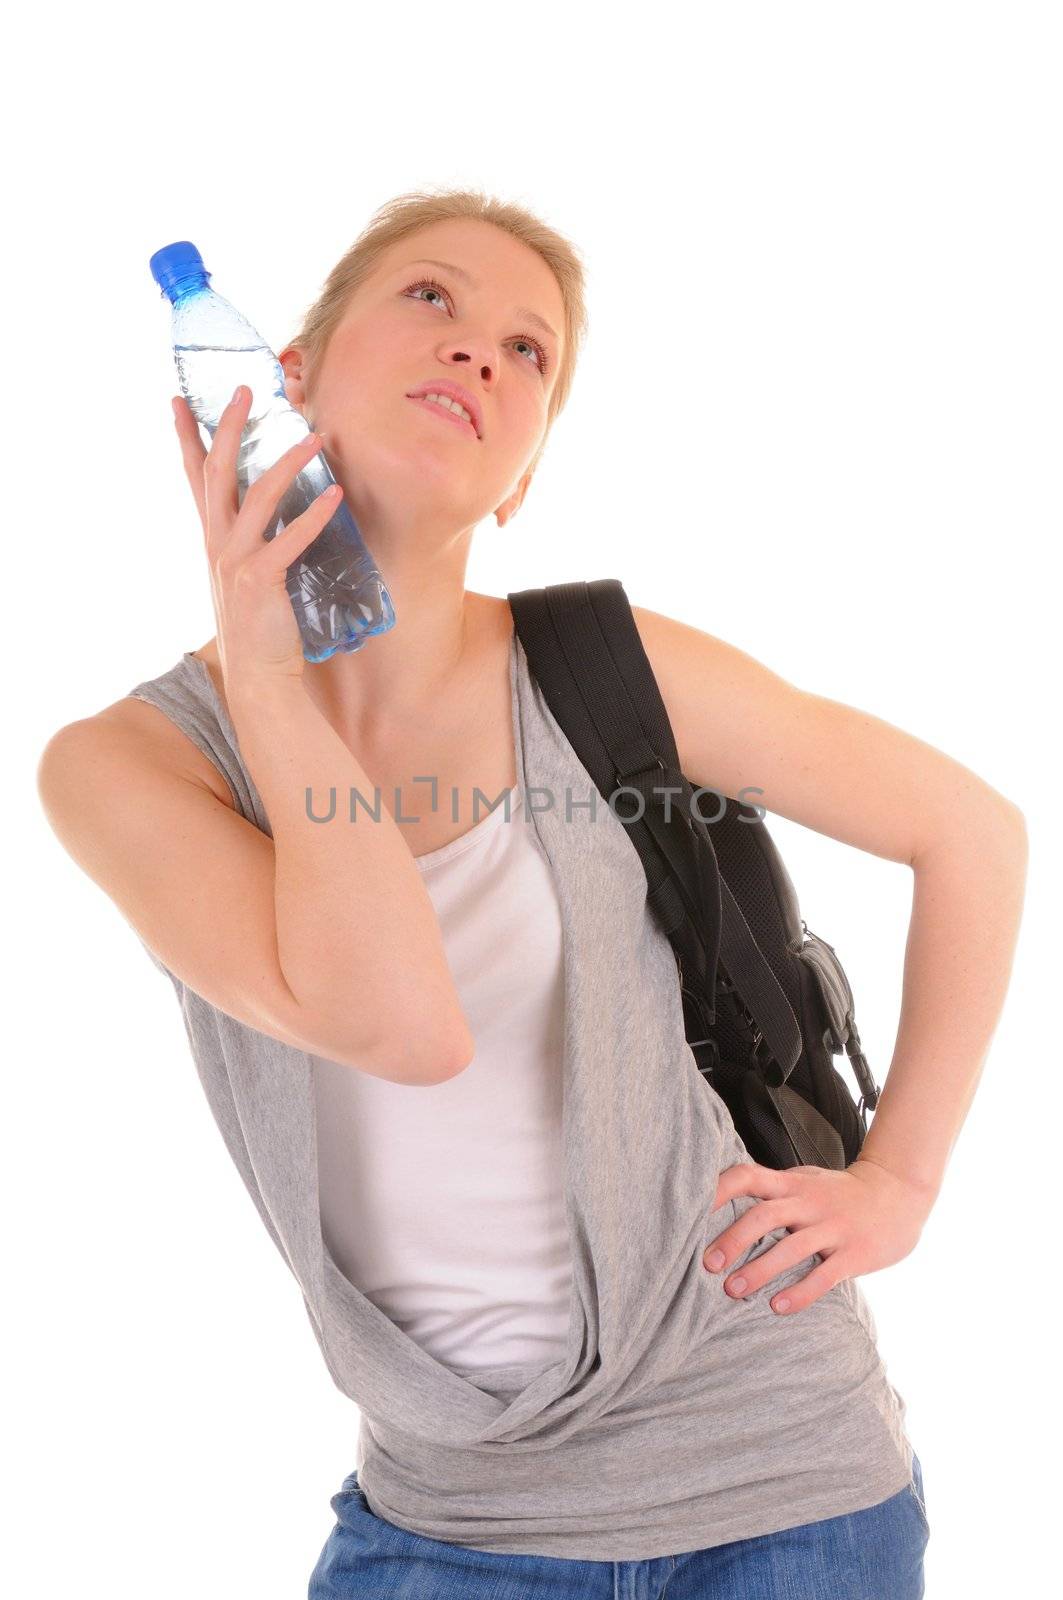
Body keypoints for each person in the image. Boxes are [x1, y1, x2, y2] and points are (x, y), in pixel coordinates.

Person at [37, 188, 1027, 1598]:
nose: (483, 355)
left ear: (521, 481)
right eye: (432, 300)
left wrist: (903, 1180)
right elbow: (399, 1023)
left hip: (785, 1482)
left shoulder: (606, 669)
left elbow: (969, 831)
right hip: (451, 1523)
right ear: (283, 378)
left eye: (530, 350)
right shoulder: (128, 766)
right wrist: (270, 665)